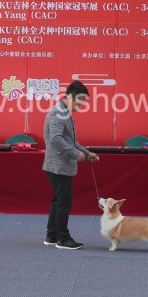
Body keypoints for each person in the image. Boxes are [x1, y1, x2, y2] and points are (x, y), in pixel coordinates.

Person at [42, 80, 98, 250]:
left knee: (58, 200)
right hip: (58, 165)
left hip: (59, 164)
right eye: (80, 101)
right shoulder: (58, 113)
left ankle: (52, 236)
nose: (81, 106)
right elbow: (56, 139)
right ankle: (63, 239)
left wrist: (86, 153)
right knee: (63, 202)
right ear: (72, 97)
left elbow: (71, 141)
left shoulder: (65, 113)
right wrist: (75, 154)